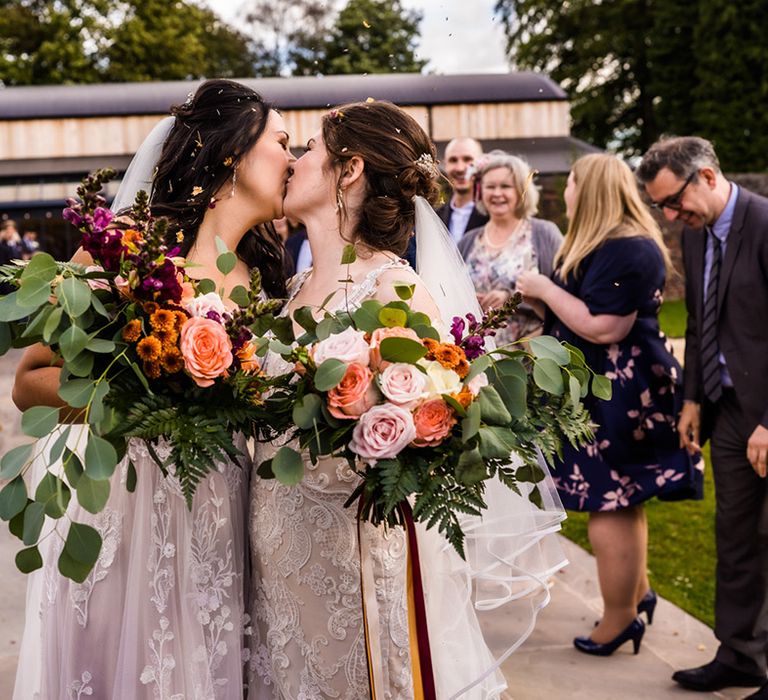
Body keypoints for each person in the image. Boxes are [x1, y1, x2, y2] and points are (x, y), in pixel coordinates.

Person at [247, 101, 567, 699]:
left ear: (349, 170)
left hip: (353, 549)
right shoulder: (292, 289)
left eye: (311, 147)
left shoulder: (394, 287)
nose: (294, 159)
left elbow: (430, 423)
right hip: (278, 541)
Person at [12, 78, 294, 700]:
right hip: (121, 497)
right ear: (234, 152)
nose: (294, 158)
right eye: (282, 142)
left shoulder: (272, 279)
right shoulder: (129, 251)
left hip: (217, 502)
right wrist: (143, 398)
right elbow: (29, 379)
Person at [517, 153, 703, 657]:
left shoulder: (631, 248)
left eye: (572, 181)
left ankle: (620, 617)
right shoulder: (604, 244)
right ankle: (635, 598)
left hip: (623, 394)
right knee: (618, 500)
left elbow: (605, 326)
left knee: (611, 503)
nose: (567, 190)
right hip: (602, 390)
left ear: (591, 187)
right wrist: (532, 299)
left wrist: (544, 289)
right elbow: (579, 309)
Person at [637, 137, 768, 696]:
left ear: (708, 177)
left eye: (674, 202)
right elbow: (697, 321)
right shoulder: (694, 236)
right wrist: (693, 399)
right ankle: (740, 656)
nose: (670, 217)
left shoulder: (764, 224)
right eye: (661, 207)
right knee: (736, 536)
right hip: (729, 410)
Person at [458, 151, 562, 345]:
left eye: (505, 186)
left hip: (530, 354)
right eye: (490, 187)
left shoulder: (544, 234)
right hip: (477, 356)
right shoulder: (468, 240)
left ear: (521, 190)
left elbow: (564, 295)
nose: (497, 193)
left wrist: (511, 298)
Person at [436, 137, 489, 243]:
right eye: (453, 160)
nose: (460, 168)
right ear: (445, 165)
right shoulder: (435, 217)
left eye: (467, 159)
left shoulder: (493, 214)